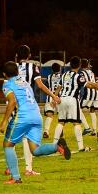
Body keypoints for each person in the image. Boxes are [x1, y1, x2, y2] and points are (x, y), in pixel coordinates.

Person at [0, 61, 71, 184]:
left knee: (8, 145)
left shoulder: (7, 84)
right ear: (17, 72)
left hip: (22, 117)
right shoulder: (25, 83)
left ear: (4, 74)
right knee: (35, 150)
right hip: (36, 116)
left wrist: (4, 121)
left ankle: (16, 178)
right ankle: (57, 147)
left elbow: (12, 102)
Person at [15, 44, 61, 176]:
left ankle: (13, 166)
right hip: (28, 105)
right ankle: (27, 168)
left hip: (15, 104)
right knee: (26, 136)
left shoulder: (14, 68)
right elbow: (40, 85)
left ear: (17, 56)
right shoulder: (32, 67)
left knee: (14, 137)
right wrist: (53, 96)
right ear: (29, 56)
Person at [52, 56, 92, 152]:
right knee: (76, 123)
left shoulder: (64, 75)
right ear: (79, 65)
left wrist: (54, 98)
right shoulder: (79, 76)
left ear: (70, 65)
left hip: (62, 99)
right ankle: (81, 147)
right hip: (72, 99)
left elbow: (58, 88)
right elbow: (88, 84)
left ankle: (53, 146)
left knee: (61, 122)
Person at [79, 58, 98, 136]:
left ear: (80, 65)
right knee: (92, 111)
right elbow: (96, 82)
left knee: (77, 108)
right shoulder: (92, 72)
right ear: (87, 65)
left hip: (88, 93)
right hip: (96, 93)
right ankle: (94, 130)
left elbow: (83, 84)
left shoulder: (81, 73)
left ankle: (87, 127)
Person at [42, 62, 63, 138]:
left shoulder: (48, 77)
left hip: (50, 97)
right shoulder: (62, 76)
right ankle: (60, 132)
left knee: (49, 115)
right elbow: (62, 87)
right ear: (60, 69)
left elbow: (46, 88)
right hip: (60, 98)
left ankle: (46, 131)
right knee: (61, 117)